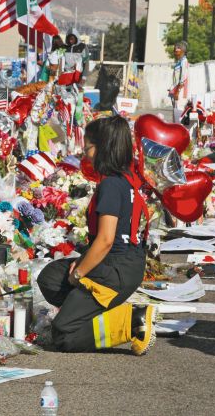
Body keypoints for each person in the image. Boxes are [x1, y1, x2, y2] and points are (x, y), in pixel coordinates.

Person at [36, 115, 156, 355]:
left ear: (104, 148)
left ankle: (131, 322)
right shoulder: (126, 178)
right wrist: (81, 263)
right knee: (50, 278)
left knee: (63, 335)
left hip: (115, 269)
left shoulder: (111, 185)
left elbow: (105, 240)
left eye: (88, 148)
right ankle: (88, 312)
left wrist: (79, 273)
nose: (85, 154)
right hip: (121, 262)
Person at [168, 41, 190, 122]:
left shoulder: (184, 61)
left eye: (177, 50)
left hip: (180, 91)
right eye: (174, 50)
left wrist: (177, 91)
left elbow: (183, 78)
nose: (175, 52)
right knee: (175, 112)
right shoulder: (179, 62)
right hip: (176, 89)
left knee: (178, 112)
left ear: (182, 51)